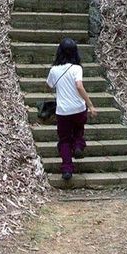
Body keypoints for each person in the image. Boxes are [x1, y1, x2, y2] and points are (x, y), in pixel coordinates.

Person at [46, 38, 98, 180]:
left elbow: (49, 86)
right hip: (79, 108)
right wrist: (91, 105)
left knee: (64, 140)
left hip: (63, 111)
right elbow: (79, 86)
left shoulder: (54, 70)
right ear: (75, 52)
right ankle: (78, 146)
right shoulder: (77, 68)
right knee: (78, 131)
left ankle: (67, 170)